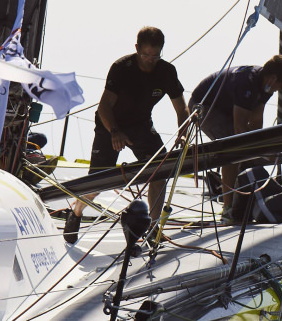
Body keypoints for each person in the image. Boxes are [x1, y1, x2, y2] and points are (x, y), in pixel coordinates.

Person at [63, 26, 189, 244]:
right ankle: (76, 213)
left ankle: (152, 227)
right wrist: (114, 131)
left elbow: (182, 109)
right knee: (97, 183)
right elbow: (104, 106)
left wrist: (183, 133)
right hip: (110, 124)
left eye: (155, 56)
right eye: (145, 54)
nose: (149, 60)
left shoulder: (167, 72)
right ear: (137, 48)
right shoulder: (122, 68)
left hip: (140, 125)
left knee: (161, 168)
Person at [188, 55, 282, 216]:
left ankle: (243, 199)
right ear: (273, 79)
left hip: (228, 111)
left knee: (249, 153)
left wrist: (263, 147)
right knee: (234, 148)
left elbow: (256, 121)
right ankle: (228, 207)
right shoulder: (247, 82)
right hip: (205, 108)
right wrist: (263, 152)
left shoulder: (266, 87)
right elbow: (239, 129)